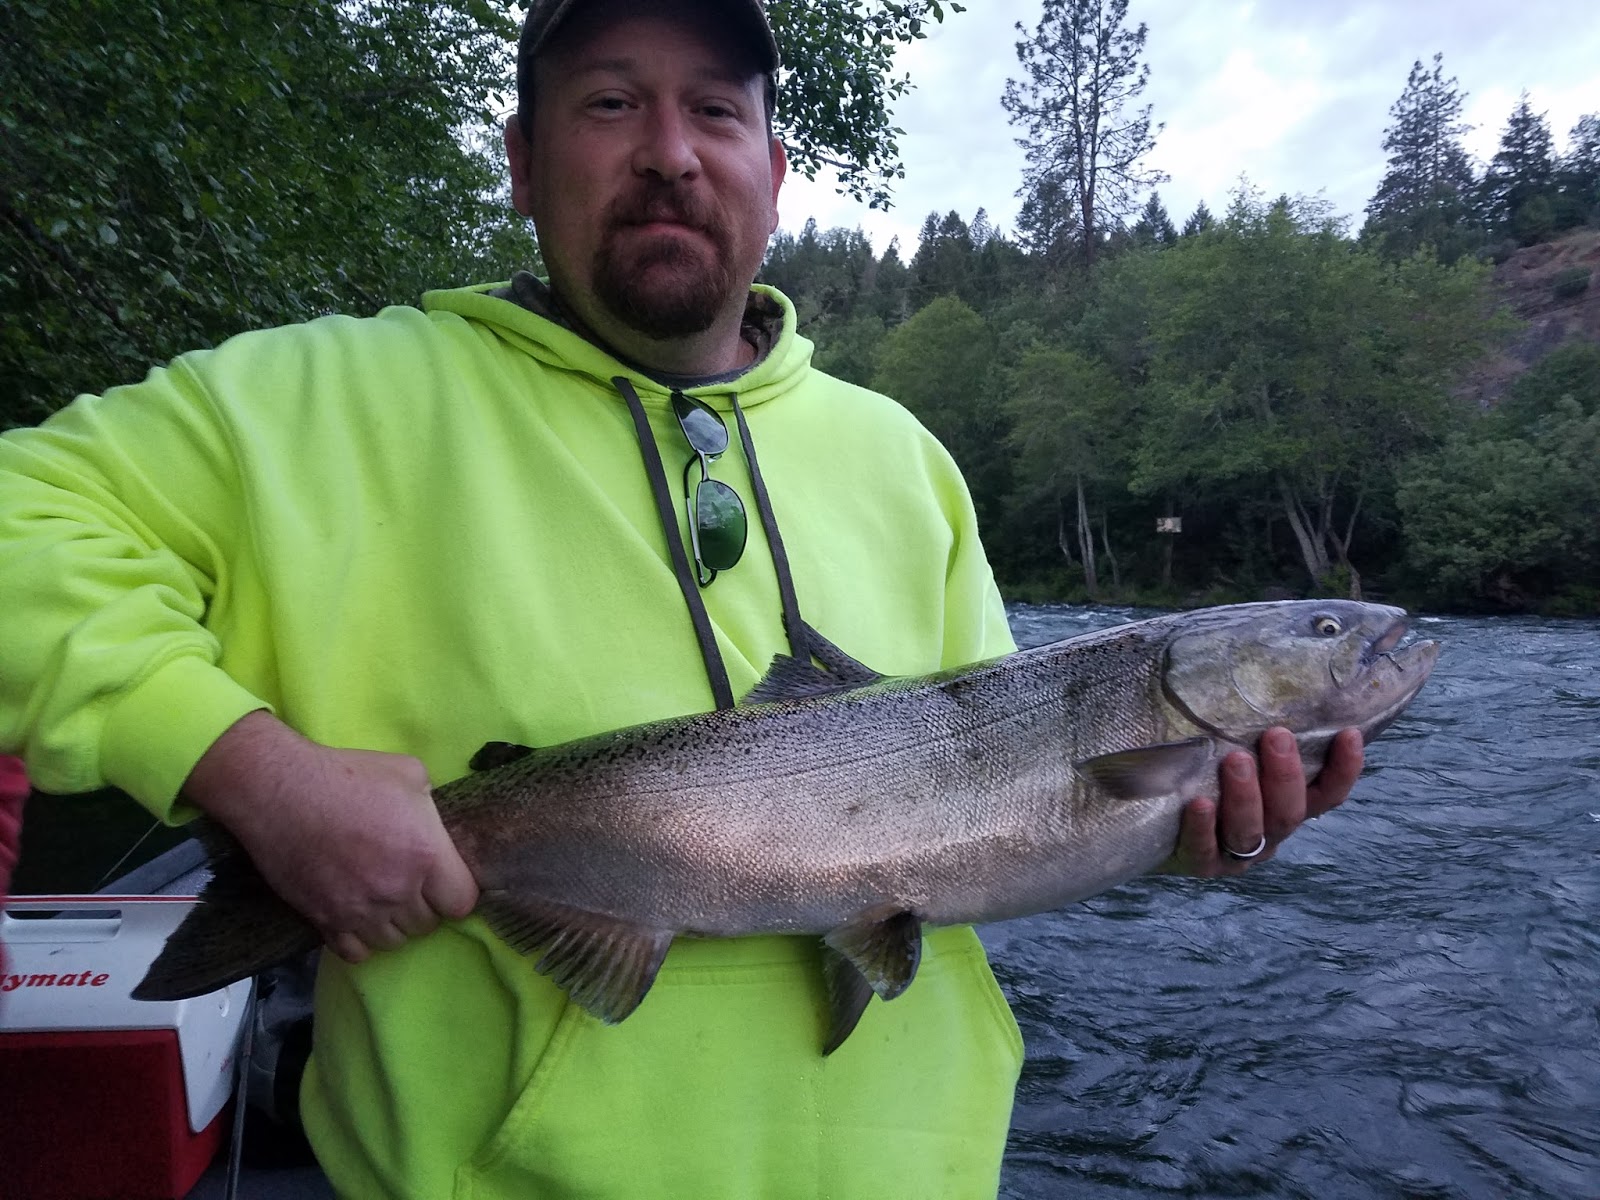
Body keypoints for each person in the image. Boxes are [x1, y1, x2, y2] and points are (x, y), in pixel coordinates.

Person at [0, 0, 1364, 1195]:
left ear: (772, 171)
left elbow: (997, 824)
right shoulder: (313, 402)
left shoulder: (910, 460)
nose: (669, 150)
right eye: (610, 102)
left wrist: (1173, 835)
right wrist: (249, 771)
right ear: (523, 164)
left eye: (715, 109)